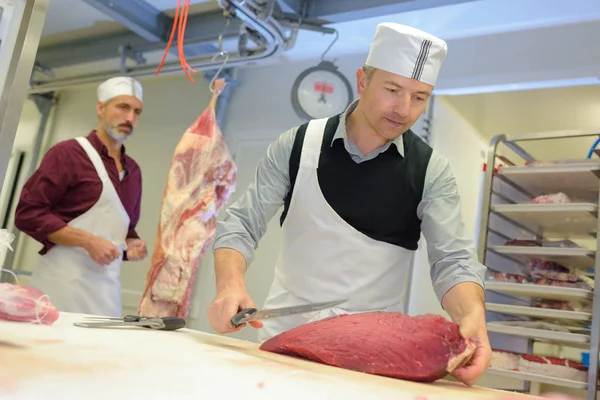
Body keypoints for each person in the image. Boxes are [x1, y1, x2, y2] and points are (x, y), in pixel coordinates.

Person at [207, 23, 490, 385]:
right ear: (362, 80)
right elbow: (243, 223)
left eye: (420, 97)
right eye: (392, 90)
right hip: (285, 340)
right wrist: (230, 284)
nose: (404, 110)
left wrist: (472, 314)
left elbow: (452, 260)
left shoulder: (430, 171)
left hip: (374, 355)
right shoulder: (298, 145)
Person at [14, 76, 148, 318]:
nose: (130, 118)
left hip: (107, 293)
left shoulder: (134, 171)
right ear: (101, 107)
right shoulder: (68, 154)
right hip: (61, 288)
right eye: (123, 107)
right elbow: (28, 214)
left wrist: (132, 243)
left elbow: (124, 230)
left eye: (137, 111)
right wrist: (87, 240)